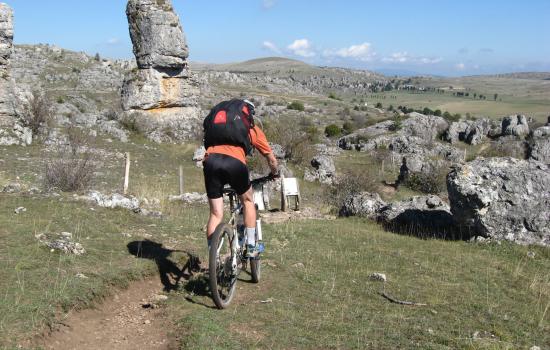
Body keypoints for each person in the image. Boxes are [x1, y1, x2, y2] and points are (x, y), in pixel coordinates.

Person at [202, 99, 278, 257]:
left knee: (216, 214)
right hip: (235, 164)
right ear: (249, 114)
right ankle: (251, 247)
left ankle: (213, 258)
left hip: (211, 162)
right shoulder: (252, 129)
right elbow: (271, 159)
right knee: (248, 201)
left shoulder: (218, 128)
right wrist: (274, 172)